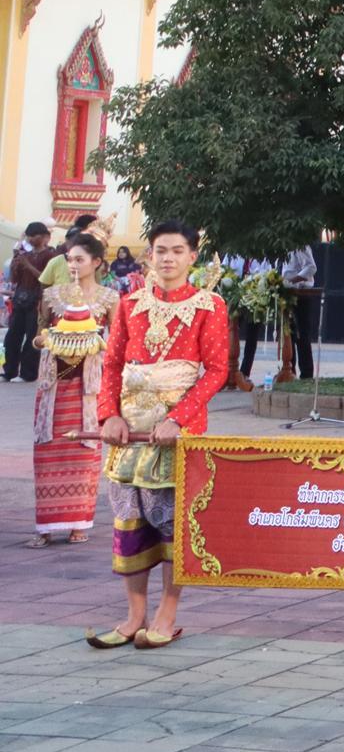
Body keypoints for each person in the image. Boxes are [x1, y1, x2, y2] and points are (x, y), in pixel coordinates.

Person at [90, 221, 230, 649]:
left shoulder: (210, 306)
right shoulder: (130, 305)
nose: (167, 258)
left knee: (171, 524)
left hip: (174, 436)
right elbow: (112, 365)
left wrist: (180, 420)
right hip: (127, 435)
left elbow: (218, 371)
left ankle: (167, 614)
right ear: (149, 255)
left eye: (177, 250)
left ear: (192, 257)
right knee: (128, 520)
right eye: (160, 250)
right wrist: (108, 416)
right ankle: (134, 616)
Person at [30, 232, 110, 546]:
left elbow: (116, 343)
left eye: (79, 259)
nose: (73, 264)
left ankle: (79, 522)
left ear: (96, 262)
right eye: (69, 259)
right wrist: (45, 341)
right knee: (48, 451)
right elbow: (40, 335)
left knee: (84, 452)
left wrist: (97, 344)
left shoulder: (109, 299)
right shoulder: (53, 297)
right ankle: (44, 526)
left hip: (88, 389)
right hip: (54, 386)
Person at [6, 223, 53, 381]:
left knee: (31, 337)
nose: (31, 239)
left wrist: (28, 265)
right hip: (20, 299)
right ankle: (9, 371)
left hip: (37, 300)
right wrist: (15, 262)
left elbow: (45, 279)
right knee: (12, 336)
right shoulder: (25, 255)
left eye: (34, 236)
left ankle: (28, 373)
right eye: (29, 236)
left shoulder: (49, 255)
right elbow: (14, 279)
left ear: (43, 236)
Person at [280, 245, 320, 380]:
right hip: (286, 294)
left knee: (301, 335)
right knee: (288, 334)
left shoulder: (300, 245)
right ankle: (290, 370)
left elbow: (311, 267)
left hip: (301, 294)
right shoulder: (284, 247)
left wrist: (292, 280)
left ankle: (306, 374)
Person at [39, 214, 100, 286]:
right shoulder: (57, 260)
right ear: (66, 241)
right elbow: (45, 285)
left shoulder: (93, 262)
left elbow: (96, 285)